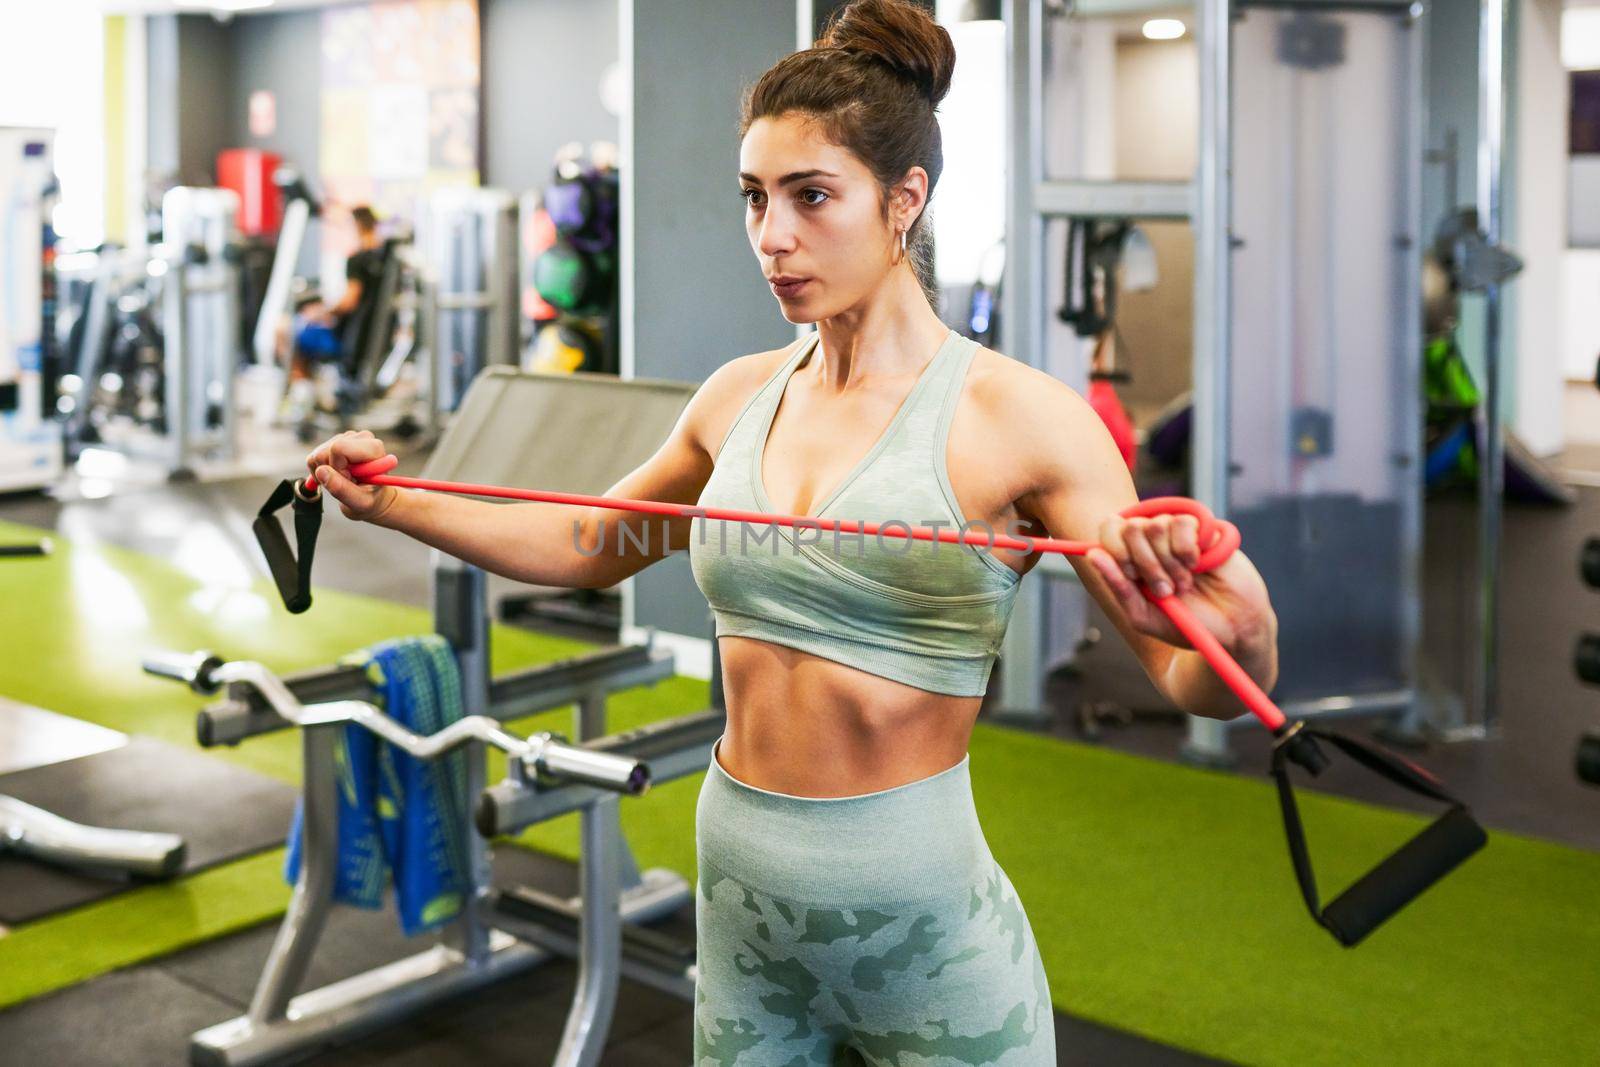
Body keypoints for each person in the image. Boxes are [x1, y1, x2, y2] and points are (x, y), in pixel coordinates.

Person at [304, 2, 1278, 1061]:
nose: (773, 235)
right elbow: (589, 542)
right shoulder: (736, 398)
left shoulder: (1021, 419)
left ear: (904, 199)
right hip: (741, 907)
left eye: (812, 196)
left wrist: (1249, 629)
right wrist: (391, 501)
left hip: (927, 936)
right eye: (755, 198)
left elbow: (1189, 678)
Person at [286, 205, 385, 417]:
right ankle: (312, 400)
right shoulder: (384, 259)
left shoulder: (357, 259)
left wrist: (321, 313)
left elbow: (349, 302)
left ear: (357, 225)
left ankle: (303, 403)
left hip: (346, 340)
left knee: (287, 332)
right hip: (365, 338)